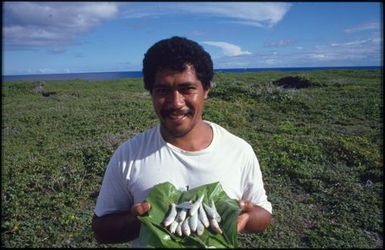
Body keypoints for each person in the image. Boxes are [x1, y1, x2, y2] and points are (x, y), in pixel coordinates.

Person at [92, 36, 272, 246]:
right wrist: (137, 220)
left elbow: (263, 214)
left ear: (206, 90)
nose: (176, 102)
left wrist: (248, 217)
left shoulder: (239, 151)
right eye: (163, 90)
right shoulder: (128, 155)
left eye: (187, 89)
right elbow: (101, 230)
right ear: (151, 93)